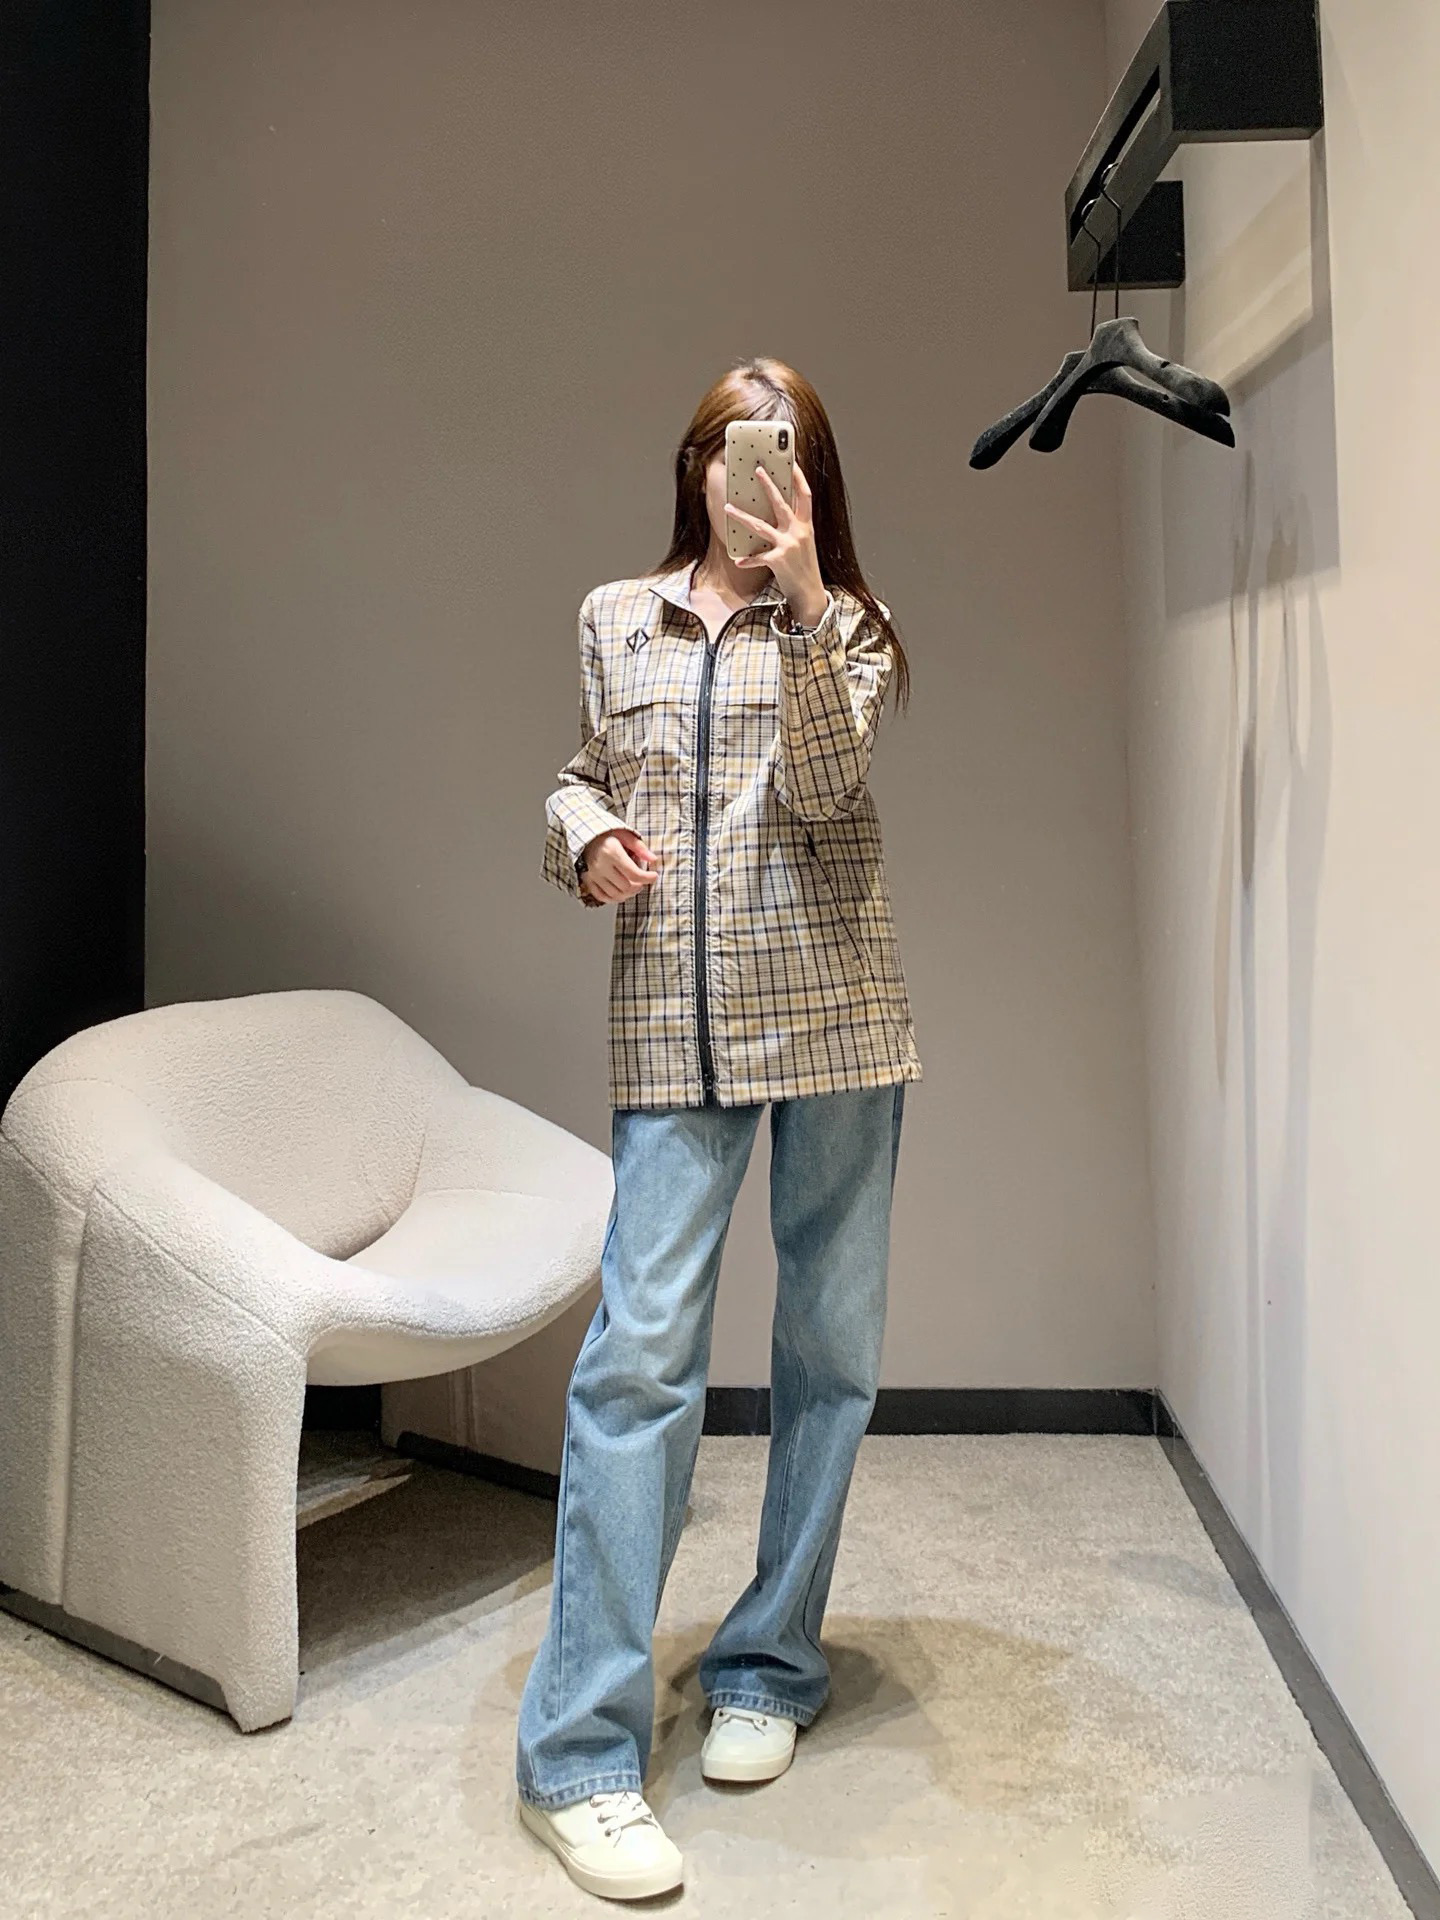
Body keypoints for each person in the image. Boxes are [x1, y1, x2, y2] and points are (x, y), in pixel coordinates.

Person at [516, 356, 923, 1900]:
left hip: (836, 1027)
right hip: (673, 1039)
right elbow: (582, 777)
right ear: (695, 463)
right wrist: (583, 839)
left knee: (828, 1359)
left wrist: (808, 594)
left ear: (810, 478)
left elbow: (825, 792)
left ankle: (770, 1667)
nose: (749, 474)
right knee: (637, 1368)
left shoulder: (853, 628)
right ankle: (580, 1757)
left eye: (783, 453)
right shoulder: (615, 615)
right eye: (729, 448)